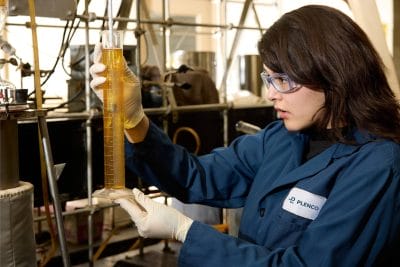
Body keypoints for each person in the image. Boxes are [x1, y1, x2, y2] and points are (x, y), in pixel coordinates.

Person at [90, 5, 400, 267]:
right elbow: (195, 177)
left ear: (333, 74)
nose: (269, 94)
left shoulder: (379, 164)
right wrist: (134, 119)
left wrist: (186, 231)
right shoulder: (282, 138)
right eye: (269, 78)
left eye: (283, 80)